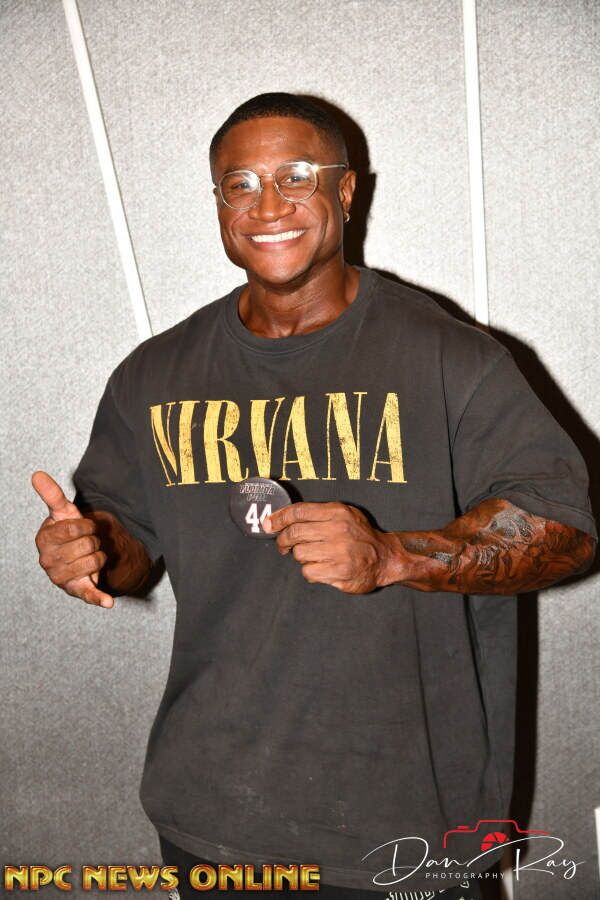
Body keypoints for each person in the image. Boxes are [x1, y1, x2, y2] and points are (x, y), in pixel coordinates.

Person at [33, 93, 596, 900]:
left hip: (405, 827)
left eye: (295, 176)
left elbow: (565, 531)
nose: (267, 206)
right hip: (213, 817)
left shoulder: (451, 358)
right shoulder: (152, 375)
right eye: (240, 184)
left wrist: (395, 556)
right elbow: (129, 550)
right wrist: (90, 548)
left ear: (346, 191)